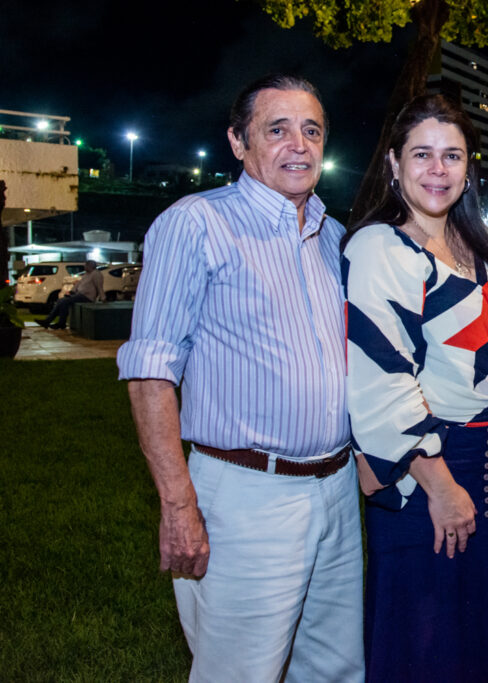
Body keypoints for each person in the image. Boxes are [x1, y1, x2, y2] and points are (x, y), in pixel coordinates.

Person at [116, 75, 363, 682]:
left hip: (337, 490)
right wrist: (179, 506)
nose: (298, 145)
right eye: (276, 130)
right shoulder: (197, 223)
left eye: (312, 130)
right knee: (240, 673)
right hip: (247, 495)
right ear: (237, 141)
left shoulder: (333, 236)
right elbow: (150, 370)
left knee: (336, 671)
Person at [342, 93, 488, 683]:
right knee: (429, 641)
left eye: (452, 156)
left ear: (468, 169)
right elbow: (380, 376)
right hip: (429, 471)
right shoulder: (379, 247)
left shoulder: (477, 250)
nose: (438, 169)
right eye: (423, 154)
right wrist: (439, 484)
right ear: (393, 163)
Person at [38, 259, 103, 329]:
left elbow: (99, 286)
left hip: (87, 297)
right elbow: (79, 284)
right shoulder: (87, 274)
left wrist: (103, 297)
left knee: (64, 302)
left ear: (90, 266)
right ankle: (50, 321)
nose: (84, 267)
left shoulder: (96, 274)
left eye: (86, 266)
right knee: (61, 301)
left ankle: (59, 323)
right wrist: (72, 291)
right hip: (80, 295)